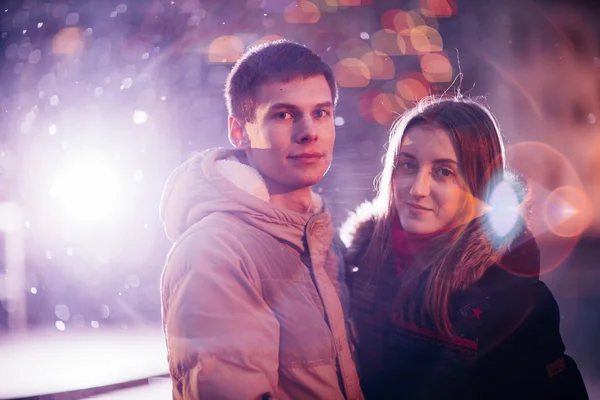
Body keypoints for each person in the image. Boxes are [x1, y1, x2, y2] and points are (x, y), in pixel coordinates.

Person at [341, 96, 588, 399]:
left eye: (444, 172)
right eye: (407, 164)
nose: (417, 189)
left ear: (478, 183)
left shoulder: (510, 297)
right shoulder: (356, 264)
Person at [159, 40, 362, 400]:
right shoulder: (216, 250)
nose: (308, 131)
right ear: (239, 131)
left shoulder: (323, 239)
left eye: (321, 113)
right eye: (283, 114)